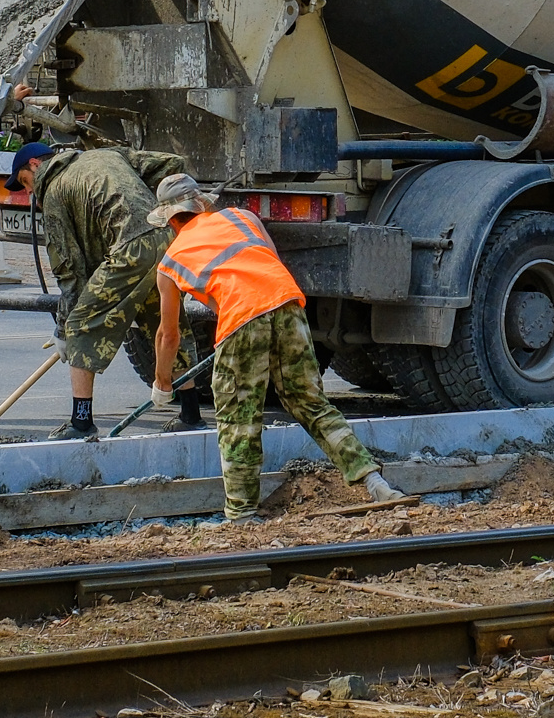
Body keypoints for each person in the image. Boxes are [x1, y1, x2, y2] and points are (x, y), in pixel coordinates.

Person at [148, 173, 403, 523]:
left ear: (169, 220)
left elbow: (168, 336)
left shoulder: (170, 261)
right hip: (287, 306)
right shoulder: (244, 217)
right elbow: (267, 263)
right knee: (310, 402)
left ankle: (241, 514)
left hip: (241, 320)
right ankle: (372, 480)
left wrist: (162, 383)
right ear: (201, 203)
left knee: (239, 420)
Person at [10, 142, 204, 440]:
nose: (32, 192)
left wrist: (64, 330)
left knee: (80, 325)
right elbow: (169, 161)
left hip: (131, 247)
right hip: (166, 237)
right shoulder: (106, 155)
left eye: (26, 183)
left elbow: (69, 271)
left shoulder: (54, 191)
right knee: (164, 322)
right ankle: (191, 415)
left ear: (35, 165)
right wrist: (149, 205)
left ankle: (81, 422)